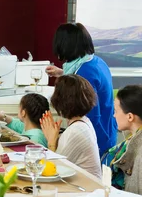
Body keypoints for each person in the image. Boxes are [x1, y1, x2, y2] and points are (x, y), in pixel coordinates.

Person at [46, 23, 118, 157]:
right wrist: (62, 73)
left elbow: (91, 115)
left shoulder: (86, 72)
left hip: (97, 139)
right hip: (108, 131)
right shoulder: (96, 61)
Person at [40, 75, 101, 178]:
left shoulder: (76, 131)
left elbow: (55, 170)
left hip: (86, 189)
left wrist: (51, 142)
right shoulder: (84, 121)